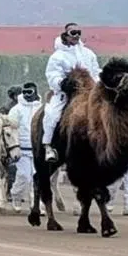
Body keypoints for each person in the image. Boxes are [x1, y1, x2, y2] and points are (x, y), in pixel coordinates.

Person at [42, 23, 100, 163]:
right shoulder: (57, 56)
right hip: (67, 93)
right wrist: (62, 83)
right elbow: (52, 75)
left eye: (79, 32)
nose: (77, 35)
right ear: (66, 35)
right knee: (52, 114)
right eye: (73, 32)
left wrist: (99, 83)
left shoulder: (88, 53)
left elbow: (96, 71)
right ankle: (48, 146)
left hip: (89, 92)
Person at [7, 82, 41, 211]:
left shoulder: (41, 108)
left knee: (36, 176)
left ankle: (36, 204)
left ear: (35, 92)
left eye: (29, 92)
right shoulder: (16, 109)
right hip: (22, 149)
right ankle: (15, 195)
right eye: (24, 92)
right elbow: (10, 129)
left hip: (38, 148)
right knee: (24, 176)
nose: (26, 95)